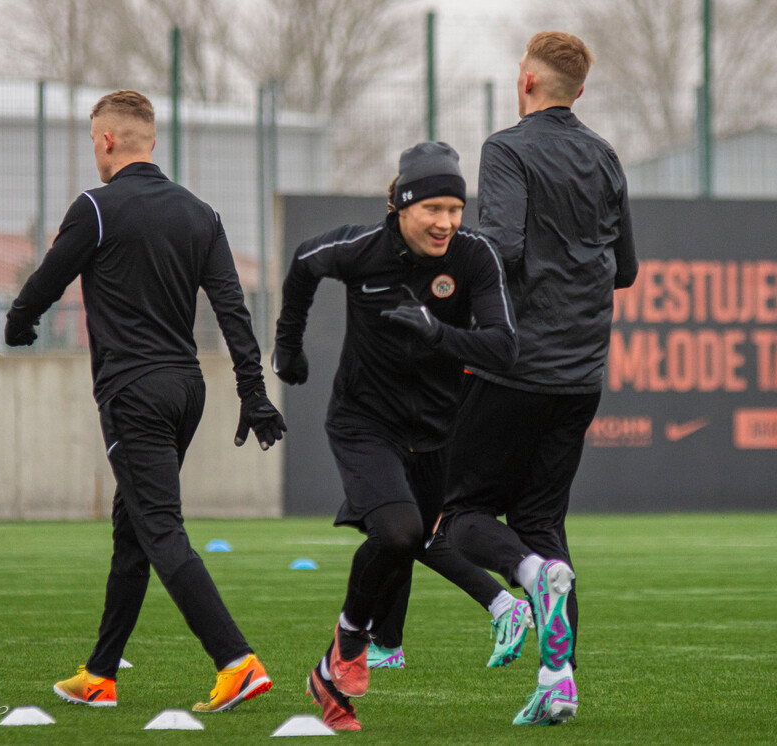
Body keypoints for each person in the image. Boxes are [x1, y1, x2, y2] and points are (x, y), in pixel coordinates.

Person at [4, 89, 285, 713]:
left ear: (106, 140)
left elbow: (50, 277)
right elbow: (233, 310)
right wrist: (254, 394)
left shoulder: (96, 209)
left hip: (133, 394)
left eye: (93, 141)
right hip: (187, 391)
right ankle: (101, 673)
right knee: (132, 528)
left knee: (159, 530)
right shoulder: (201, 214)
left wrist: (19, 321)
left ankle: (235, 660)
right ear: (150, 141)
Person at [272, 142, 522, 731]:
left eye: (455, 209)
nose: (446, 223)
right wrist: (287, 347)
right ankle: (352, 643)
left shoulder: (475, 257)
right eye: (433, 208)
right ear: (403, 205)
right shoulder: (362, 249)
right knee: (400, 530)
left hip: (438, 434)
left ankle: (329, 674)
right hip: (364, 424)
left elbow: (504, 348)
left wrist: (439, 333)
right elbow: (305, 264)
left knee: (409, 542)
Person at [444, 31, 639, 726]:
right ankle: (560, 682)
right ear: (578, 91)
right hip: (580, 375)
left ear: (526, 82)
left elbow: (503, 250)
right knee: (542, 522)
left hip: (514, 367)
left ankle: (529, 580)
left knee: (458, 518)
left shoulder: (507, 149)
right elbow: (625, 270)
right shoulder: (606, 157)